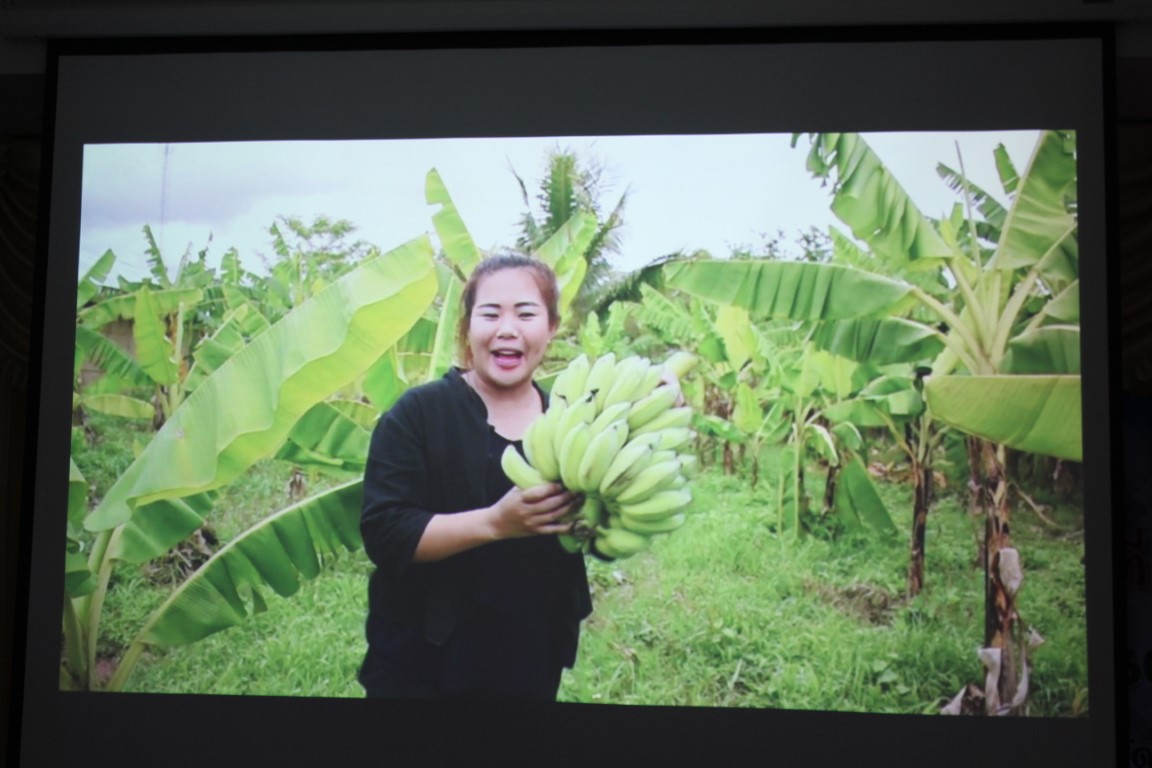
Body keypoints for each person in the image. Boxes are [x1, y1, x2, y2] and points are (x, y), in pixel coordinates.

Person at [358, 252, 591, 701]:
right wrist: (496, 523)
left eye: (526, 314)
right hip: (422, 664)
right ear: (467, 328)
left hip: (530, 657)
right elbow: (386, 532)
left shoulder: (571, 423)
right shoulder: (418, 414)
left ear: (552, 327)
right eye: (491, 313)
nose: (508, 329)